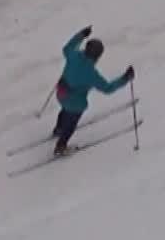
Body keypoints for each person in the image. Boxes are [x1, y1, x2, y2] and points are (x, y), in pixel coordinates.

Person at [52, 25, 133, 155]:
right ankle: (61, 146)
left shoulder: (73, 55)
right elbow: (107, 88)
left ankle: (58, 129)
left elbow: (66, 48)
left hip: (61, 93)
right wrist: (125, 78)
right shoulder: (91, 73)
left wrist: (81, 34)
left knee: (64, 110)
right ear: (97, 56)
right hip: (75, 104)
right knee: (71, 123)